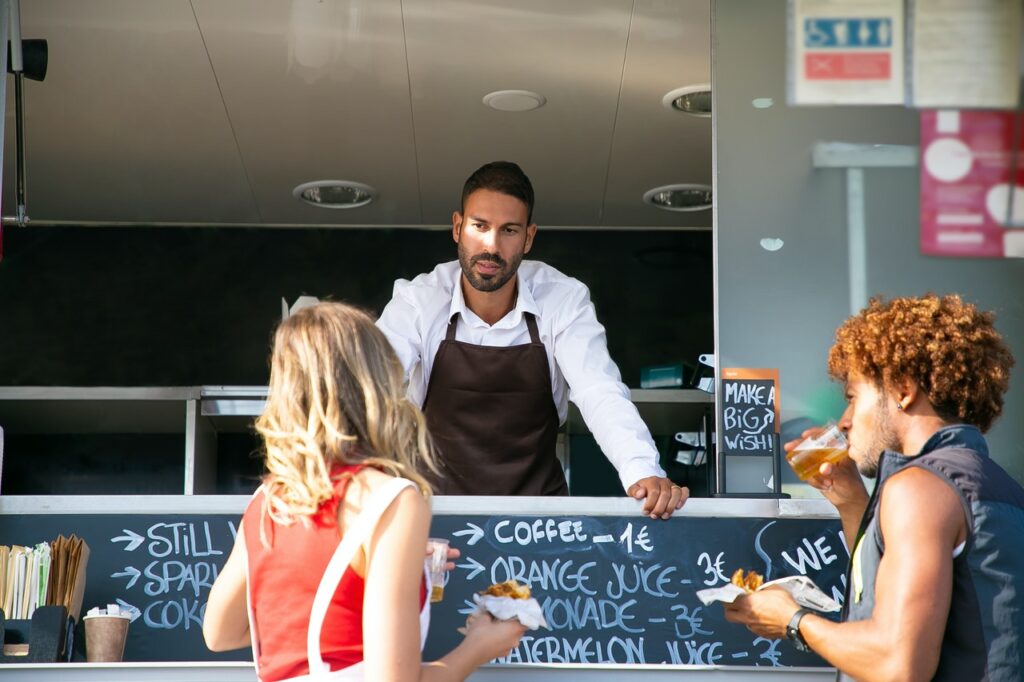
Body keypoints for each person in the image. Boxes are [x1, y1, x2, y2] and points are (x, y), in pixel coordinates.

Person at [203, 302, 525, 681]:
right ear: (377, 381)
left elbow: (219, 633)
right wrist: (479, 647)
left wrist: (380, 559)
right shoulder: (393, 500)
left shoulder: (269, 500)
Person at [723, 294, 1023, 681]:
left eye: (852, 397)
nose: (845, 421)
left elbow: (897, 665)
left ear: (902, 391)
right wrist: (851, 501)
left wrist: (792, 620)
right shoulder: (1000, 486)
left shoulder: (919, 488)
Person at [377, 161, 686, 519]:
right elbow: (374, 389)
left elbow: (598, 390)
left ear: (529, 237)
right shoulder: (418, 300)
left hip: (541, 522)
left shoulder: (563, 299)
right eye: (480, 226)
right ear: (458, 227)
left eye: (509, 230)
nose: (491, 246)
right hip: (437, 514)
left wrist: (642, 471)